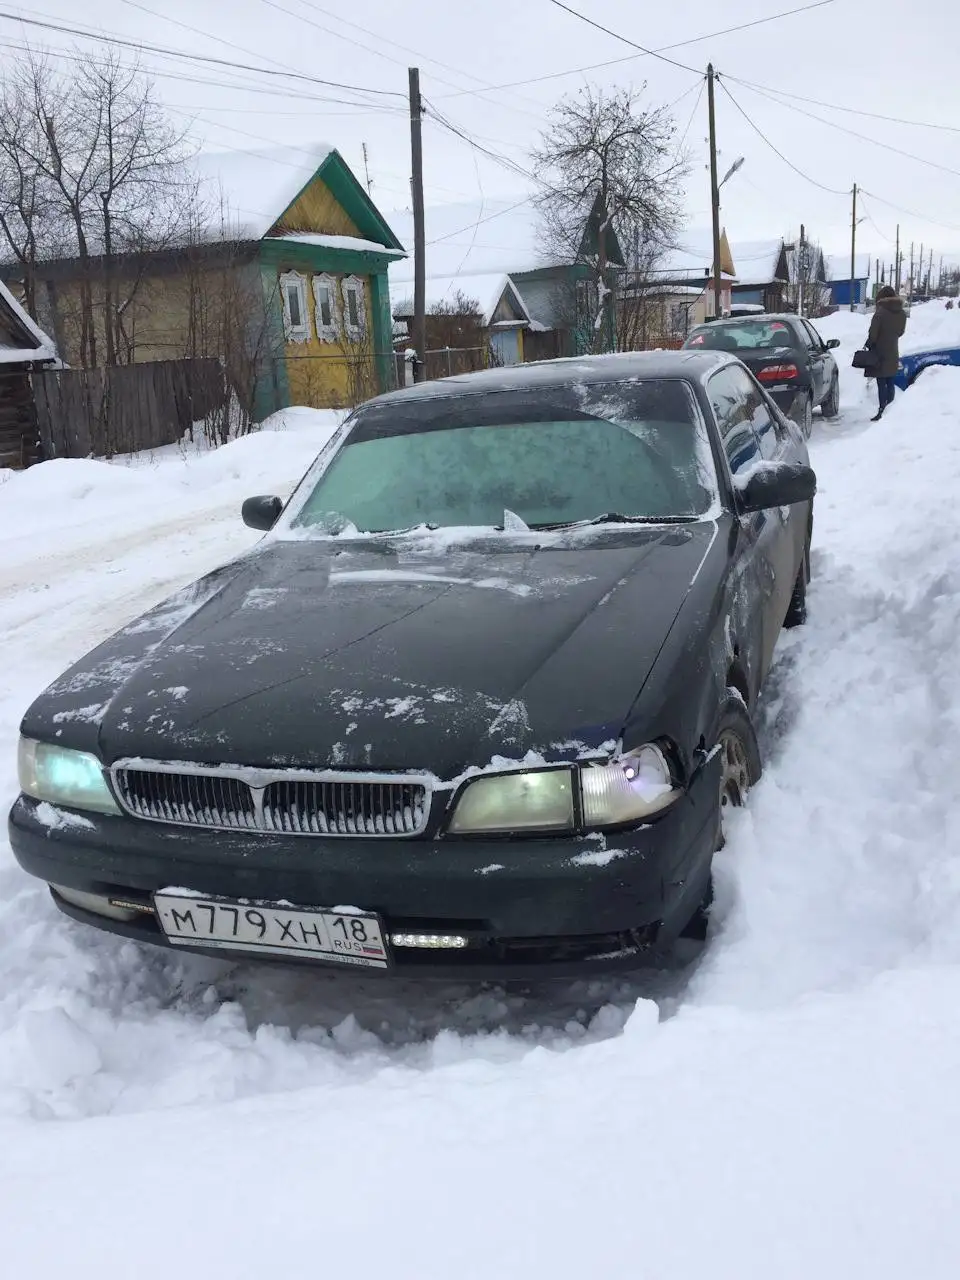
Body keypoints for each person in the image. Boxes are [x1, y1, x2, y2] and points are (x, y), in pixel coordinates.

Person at [865, 285, 907, 421]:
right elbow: (900, 332)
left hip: (880, 353)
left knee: (881, 382)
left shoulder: (880, 313)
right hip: (893, 352)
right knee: (890, 381)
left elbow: (873, 335)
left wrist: (869, 344)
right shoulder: (901, 313)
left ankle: (882, 411)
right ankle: (890, 412)